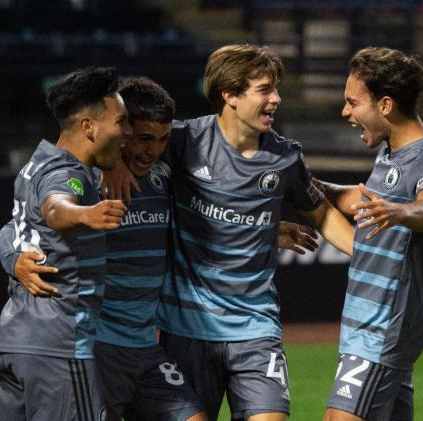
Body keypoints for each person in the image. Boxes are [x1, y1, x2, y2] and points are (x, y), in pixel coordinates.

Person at [0, 76, 320, 421]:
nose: (152, 150)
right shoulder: (90, 177)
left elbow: (197, 220)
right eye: (142, 138)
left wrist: (266, 232)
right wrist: (15, 258)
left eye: (163, 140)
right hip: (96, 346)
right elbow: (18, 226)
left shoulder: (163, 175)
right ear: (121, 133)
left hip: (145, 346)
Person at [105, 44, 355, 421]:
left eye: (276, 89)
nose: (277, 99)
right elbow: (129, 135)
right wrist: (113, 163)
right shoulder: (182, 141)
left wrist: (371, 257)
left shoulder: (285, 157)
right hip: (186, 328)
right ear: (231, 95)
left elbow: (322, 214)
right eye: (265, 89)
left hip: (256, 327)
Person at [318, 47, 423, 421]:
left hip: (383, 327)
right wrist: (300, 183)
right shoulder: (392, 154)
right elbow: (358, 199)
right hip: (369, 324)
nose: (345, 112)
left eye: (352, 102)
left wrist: (402, 211)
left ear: (384, 105)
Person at [0, 67, 130, 421]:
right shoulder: (67, 176)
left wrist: (13, 258)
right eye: (121, 122)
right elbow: (55, 207)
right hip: (60, 349)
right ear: (88, 127)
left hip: (15, 346)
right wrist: (85, 215)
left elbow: (11, 227)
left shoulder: (35, 165)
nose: (128, 132)